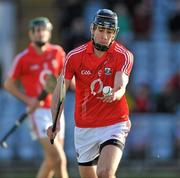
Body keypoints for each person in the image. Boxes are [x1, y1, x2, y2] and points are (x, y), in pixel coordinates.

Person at [47, 9, 134, 178]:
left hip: (114, 123)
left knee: (105, 173)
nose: (104, 35)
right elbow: (60, 91)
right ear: (92, 29)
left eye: (109, 32)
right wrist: (55, 121)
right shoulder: (74, 57)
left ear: (114, 34)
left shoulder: (124, 55)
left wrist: (115, 94)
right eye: (101, 30)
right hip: (84, 126)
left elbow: (121, 84)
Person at [4, 17, 69, 178]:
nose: (41, 34)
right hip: (38, 113)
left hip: (57, 110)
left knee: (50, 160)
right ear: (31, 34)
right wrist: (28, 100)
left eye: (44, 30)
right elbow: (8, 84)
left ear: (49, 33)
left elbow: (67, 77)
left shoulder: (57, 52)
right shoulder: (23, 58)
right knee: (59, 159)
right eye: (37, 31)